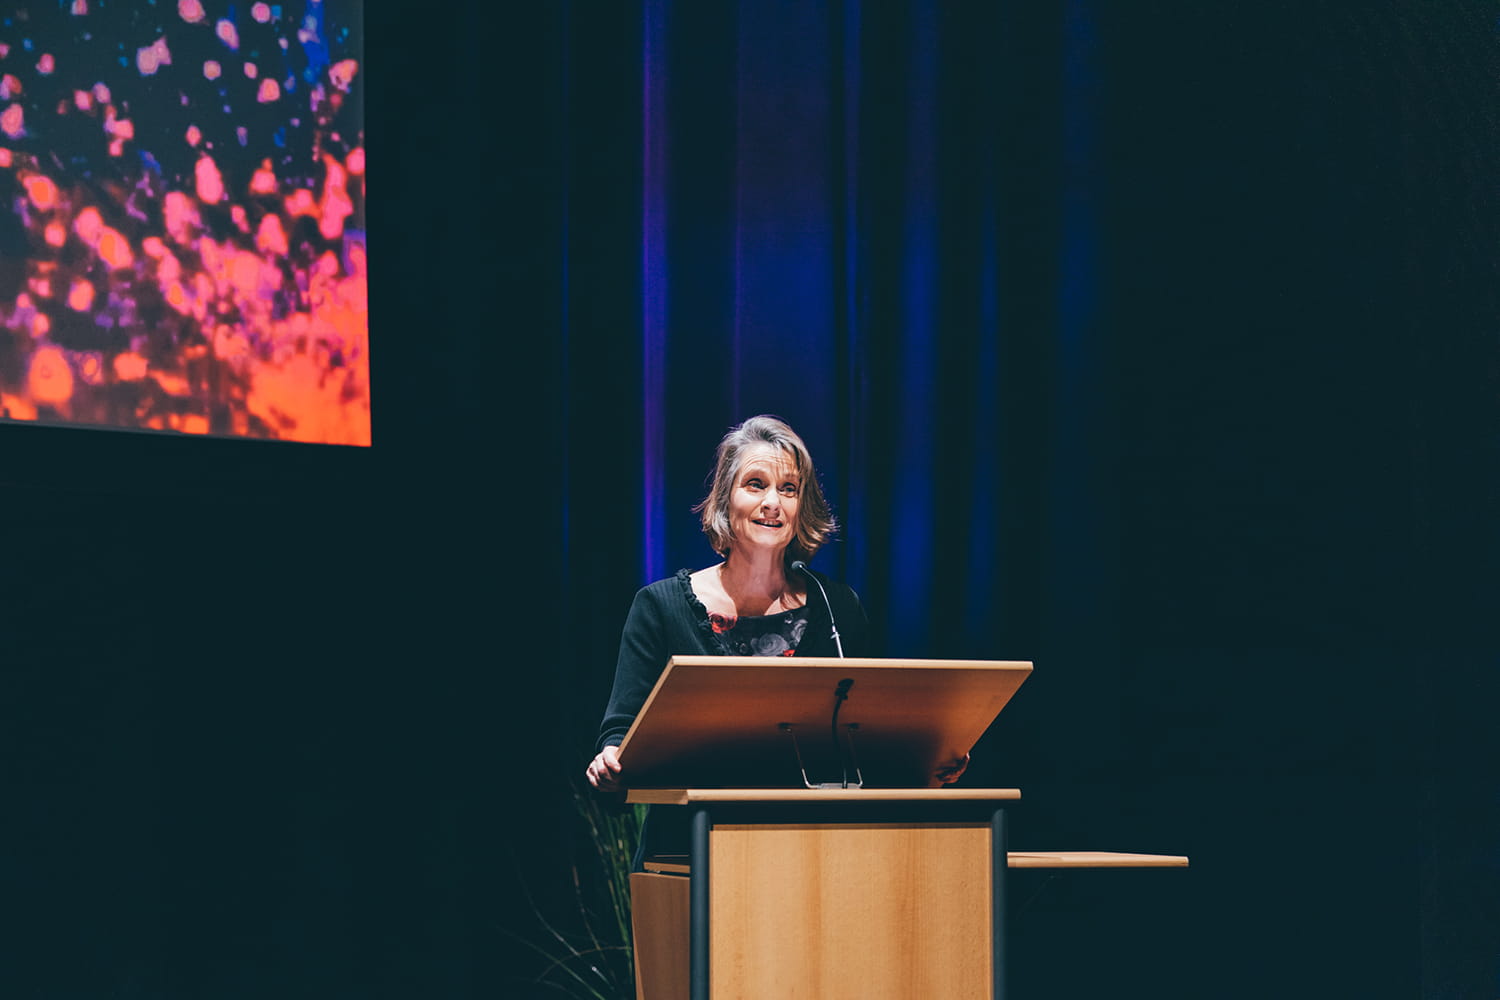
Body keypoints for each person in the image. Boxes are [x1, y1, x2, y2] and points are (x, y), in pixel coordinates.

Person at [584, 415, 966, 859]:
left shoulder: (837, 607)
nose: (773, 502)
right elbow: (621, 729)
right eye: (755, 484)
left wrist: (927, 761)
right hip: (688, 852)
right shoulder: (659, 607)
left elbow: (866, 737)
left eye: (788, 489)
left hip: (813, 853)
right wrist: (611, 759)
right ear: (725, 499)